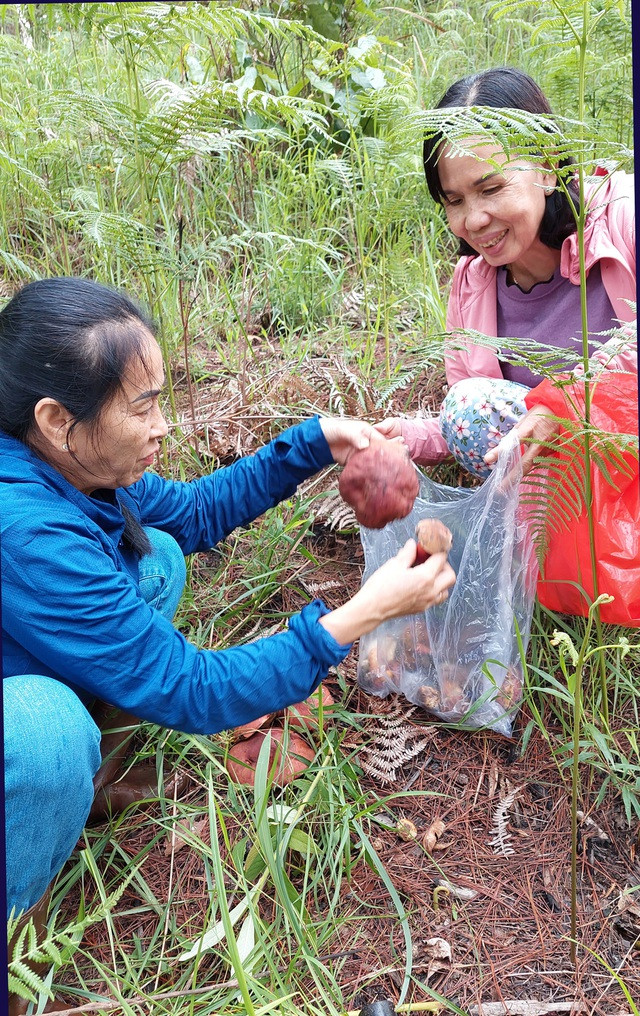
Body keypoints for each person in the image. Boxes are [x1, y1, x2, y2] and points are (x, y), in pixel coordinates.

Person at [2, 276, 455, 1013]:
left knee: (156, 558)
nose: (163, 426)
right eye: (142, 407)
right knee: (44, 731)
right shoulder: (23, 527)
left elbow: (192, 512)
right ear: (57, 419)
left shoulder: (72, 467)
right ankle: (15, 950)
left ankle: (90, 784)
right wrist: (358, 615)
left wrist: (314, 441)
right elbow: (191, 689)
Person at [377, 67, 636, 477]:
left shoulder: (623, 215)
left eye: (491, 189)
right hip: (566, 490)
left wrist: (566, 403)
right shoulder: (471, 285)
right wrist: (409, 438)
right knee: (466, 405)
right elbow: (492, 418)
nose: (474, 219)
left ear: (547, 167)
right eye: (455, 201)